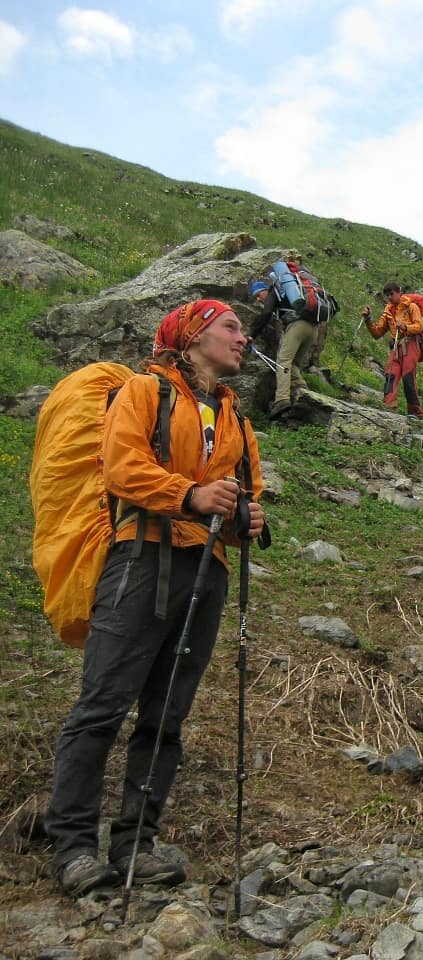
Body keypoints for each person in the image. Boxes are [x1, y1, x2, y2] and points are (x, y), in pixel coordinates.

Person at [45, 300, 265, 898]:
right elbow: (120, 468)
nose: (243, 338)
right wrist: (191, 495)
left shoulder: (233, 413)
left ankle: (135, 845)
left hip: (206, 567)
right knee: (104, 703)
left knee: (166, 713)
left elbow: (248, 487)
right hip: (142, 558)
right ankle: (71, 848)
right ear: (193, 336)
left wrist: (248, 515)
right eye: (231, 328)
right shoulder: (145, 392)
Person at [248, 277, 324, 419]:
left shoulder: (273, 292)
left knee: (282, 361)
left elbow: (266, 314)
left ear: (265, 290)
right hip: (313, 329)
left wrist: (252, 335)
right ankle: (302, 392)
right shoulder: (288, 293)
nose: (258, 299)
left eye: (258, 294)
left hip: (297, 326)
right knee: (293, 363)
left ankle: (281, 399)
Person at [362, 282, 423, 418]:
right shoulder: (388, 311)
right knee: (390, 375)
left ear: (399, 292)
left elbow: (419, 326)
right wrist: (368, 320)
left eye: (392, 294)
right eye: (387, 295)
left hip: (411, 344)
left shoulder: (411, 306)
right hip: (396, 347)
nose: (389, 297)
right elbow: (377, 333)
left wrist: (406, 327)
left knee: (408, 377)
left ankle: (415, 412)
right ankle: (389, 406)